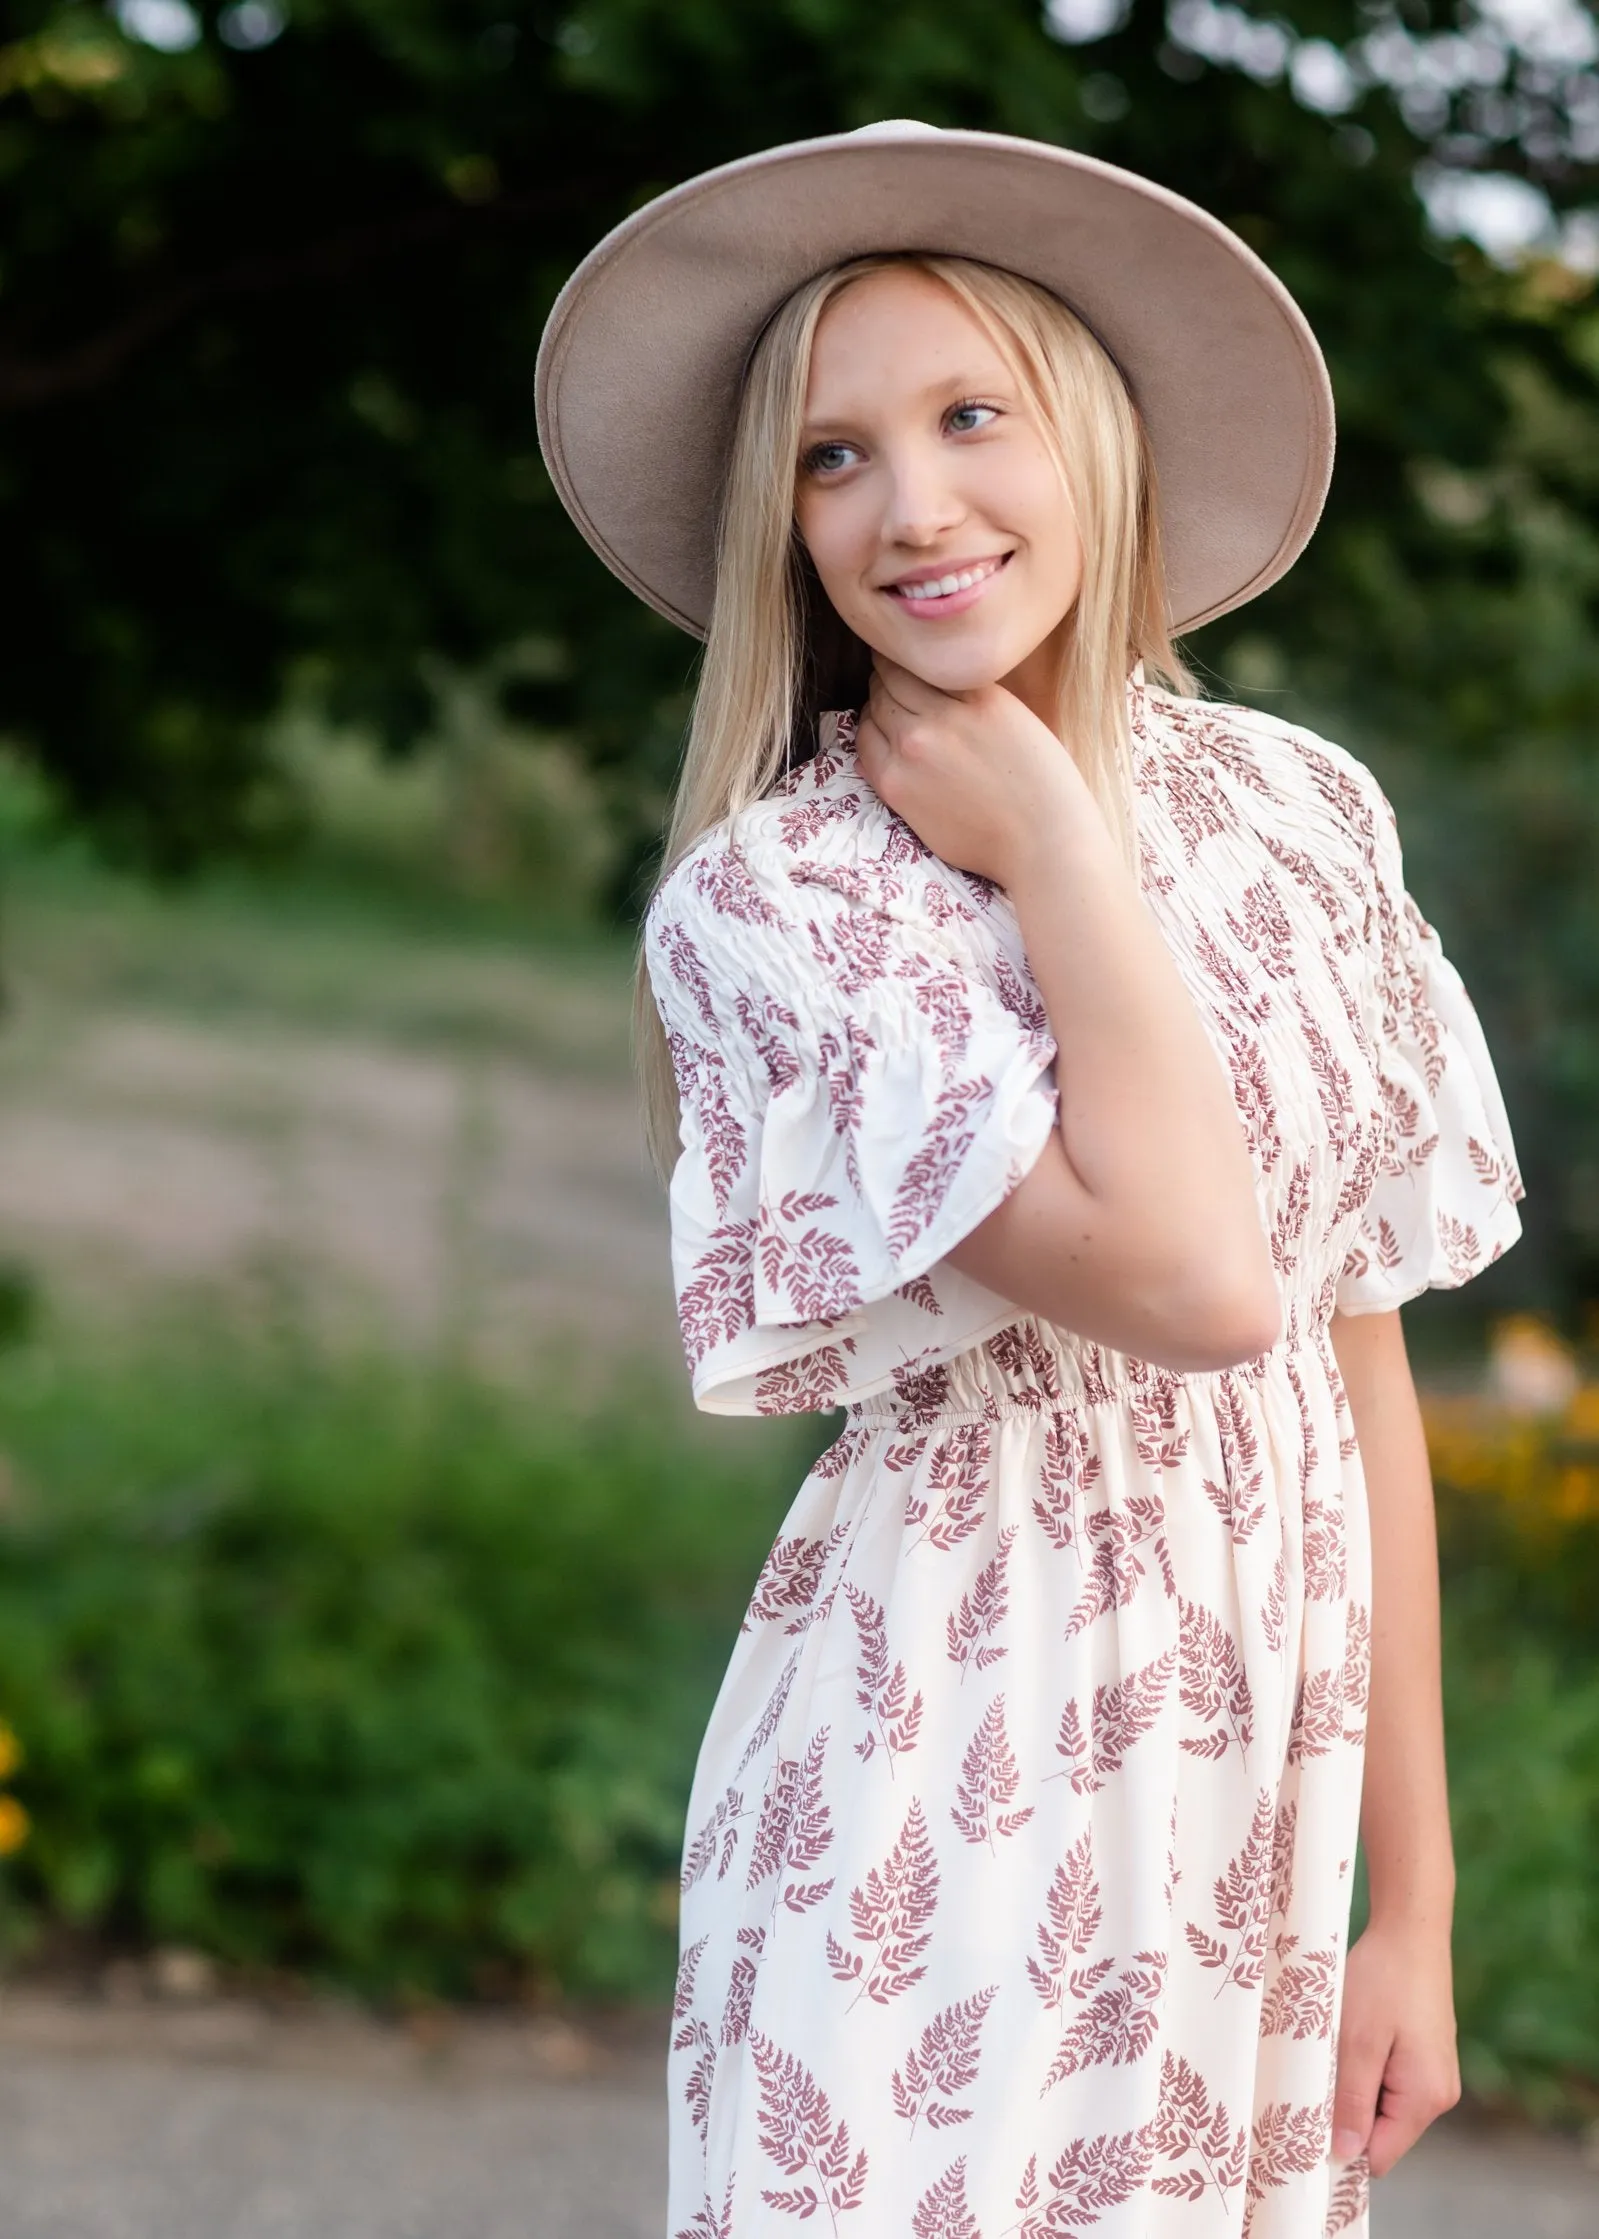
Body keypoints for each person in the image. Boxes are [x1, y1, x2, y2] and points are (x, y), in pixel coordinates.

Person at [535, 122, 1526, 2239]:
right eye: (830, 458)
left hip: (1255, 1800)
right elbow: (1191, 1282)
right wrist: (1062, 858)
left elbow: (1355, 1375)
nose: (911, 508)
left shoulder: (1292, 815)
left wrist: (1413, 1904)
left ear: (1086, 425)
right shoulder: (786, 900)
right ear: (777, 525)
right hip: (939, 1780)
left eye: (967, 414)